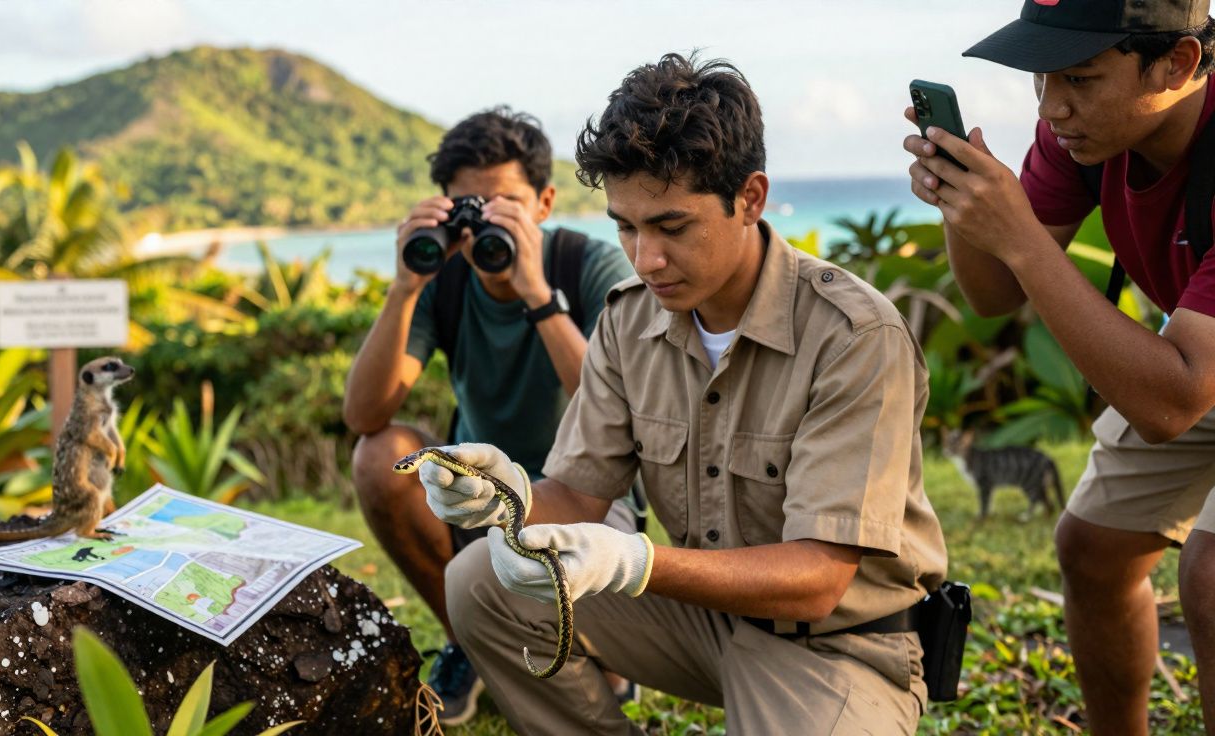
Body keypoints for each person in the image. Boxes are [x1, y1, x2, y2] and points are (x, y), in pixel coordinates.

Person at [416, 53, 948, 734]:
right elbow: (577, 495)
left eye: (672, 227)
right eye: (625, 226)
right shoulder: (628, 319)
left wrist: (635, 561)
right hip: (700, 620)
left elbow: (819, 578)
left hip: (839, 644)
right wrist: (505, 495)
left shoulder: (853, 335)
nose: (646, 259)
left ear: (750, 198)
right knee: (478, 582)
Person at [903, 2, 1215, 732]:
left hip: (1193, 364)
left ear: (1178, 63)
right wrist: (964, 205)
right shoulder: (1084, 138)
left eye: (1079, 78)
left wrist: (1020, 237)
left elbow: (1171, 405)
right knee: (1094, 548)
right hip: (1201, 348)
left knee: (1209, 577)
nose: (1051, 108)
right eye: (1042, 79)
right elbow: (993, 295)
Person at [341, 107, 637, 724]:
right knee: (376, 457)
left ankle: (599, 656)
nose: (484, 230)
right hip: (477, 496)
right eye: (469, 210)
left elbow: (616, 409)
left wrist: (536, 294)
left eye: (505, 206)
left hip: (585, 498)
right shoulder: (447, 281)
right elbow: (364, 413)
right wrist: (405, 287)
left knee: (593, 658)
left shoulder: (589, 266)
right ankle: (467, 644)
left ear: (545, 202)